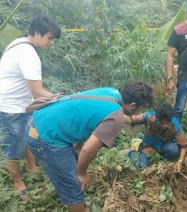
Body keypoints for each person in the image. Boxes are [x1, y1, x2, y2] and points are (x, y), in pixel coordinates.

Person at [25, 82, 153, 212]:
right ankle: (75, 203)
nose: (139, 112)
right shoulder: (116, 117)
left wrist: (78, 148)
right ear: (133, 106)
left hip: (38, 119)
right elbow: (88, 149)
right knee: (74, 186)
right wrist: (82, 173)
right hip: (45, 136)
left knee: (71, 172)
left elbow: (86, 116)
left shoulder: (111, 92)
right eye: (139, 109)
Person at [0, 14, 61, 198]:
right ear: (37, 33)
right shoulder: (28, 54)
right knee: (13, 147)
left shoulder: (19, 42)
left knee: (27, 137)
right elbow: (39, 92)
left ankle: (32, 168)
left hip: (19, 103)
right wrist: (62, 99)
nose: (52, 43)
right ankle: (17, 183)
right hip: (12, 107)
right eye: (50, 38)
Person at [126, 103, 187, 173]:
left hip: (163, 148)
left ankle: (160, 159)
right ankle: (130, 151)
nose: (164, 126)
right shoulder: (149, 116)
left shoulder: (175, 125)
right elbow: (132, 119)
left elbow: (183, 146)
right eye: (161, 122)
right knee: (142, 165)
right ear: (156, 118)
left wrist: (180, 161)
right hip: (147, 147)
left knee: (173, 150)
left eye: (167, 123)